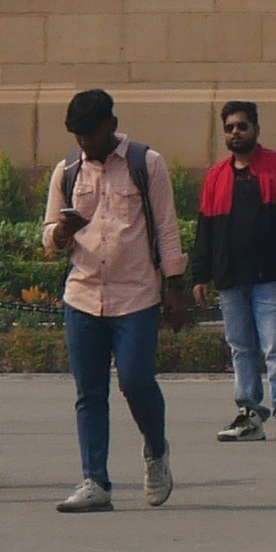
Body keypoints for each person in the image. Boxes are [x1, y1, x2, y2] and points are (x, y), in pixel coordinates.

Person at [44, 84, 187, 511]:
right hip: (83, 295)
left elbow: (166, 226)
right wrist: (62, 232)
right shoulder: (67, 171)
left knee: (135, 380)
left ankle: (156, 451)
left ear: (112, 125)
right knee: (89, 392)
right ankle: (96, 481)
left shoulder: (147, 164)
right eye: (78, 137)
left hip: (136, 295)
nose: (85, 144)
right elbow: (49, 235)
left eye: (91, 134)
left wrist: (175, 287)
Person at [195, 99, 276, 441]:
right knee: (241, 346)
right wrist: (200, 274)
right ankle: (249, 415)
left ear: (255, 129)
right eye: (230, 127)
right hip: (231, 277)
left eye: (242, 126)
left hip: (270, 275)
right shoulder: (216, 176)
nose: (235, 132)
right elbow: (205, 229)